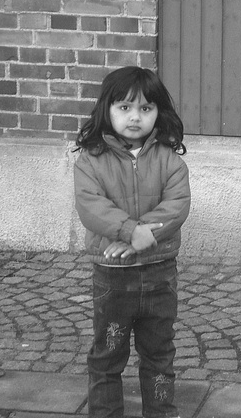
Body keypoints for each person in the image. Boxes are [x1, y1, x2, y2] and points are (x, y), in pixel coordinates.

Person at [74, 66, 191, 418]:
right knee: (107, 357)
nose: (135, 117)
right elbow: (91, 206)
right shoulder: (90, 160)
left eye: (145, 109)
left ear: (159, 113)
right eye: (125, 108)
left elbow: (178, 204)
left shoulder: (169, 159)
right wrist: (130, 232)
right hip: (113, 277)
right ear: (107, 110)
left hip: (159, 275)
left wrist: (142, 236)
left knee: (158, 356)